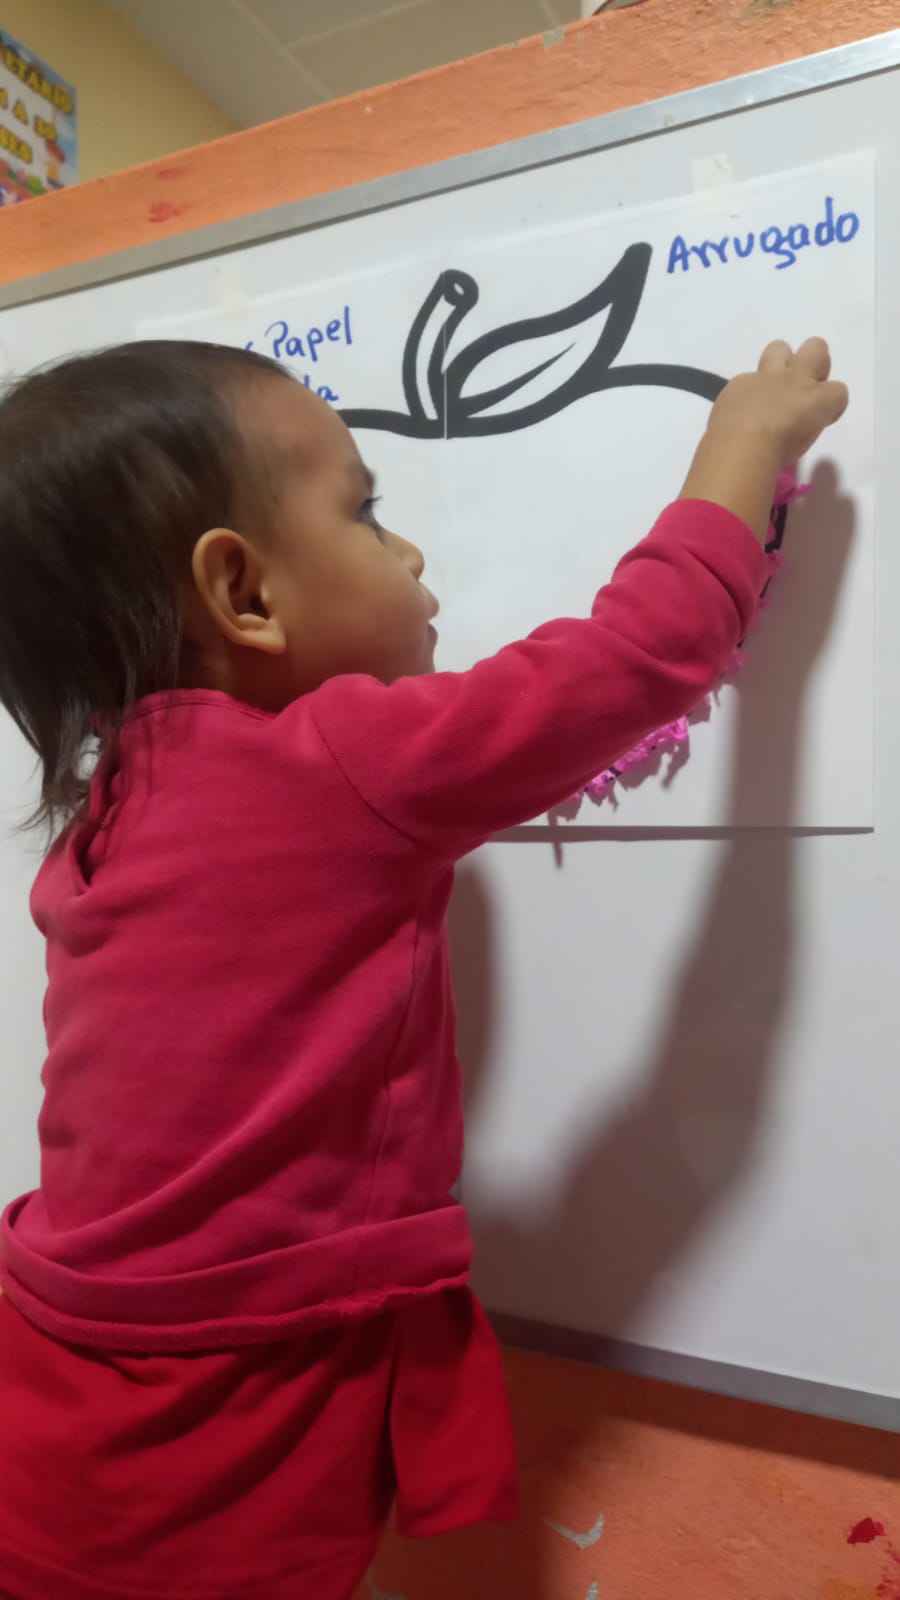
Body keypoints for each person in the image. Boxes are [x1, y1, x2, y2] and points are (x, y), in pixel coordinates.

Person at [0, 335, 846, 1600]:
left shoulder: (111, 812)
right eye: (365, 512)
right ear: (243, 593)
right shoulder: (333, 762)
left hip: (54, 1395)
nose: (408, 555)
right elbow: (639, 652)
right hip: (214, 1427)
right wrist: (743, 442)